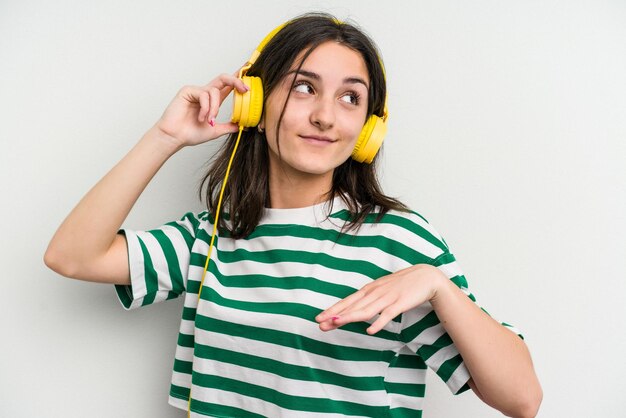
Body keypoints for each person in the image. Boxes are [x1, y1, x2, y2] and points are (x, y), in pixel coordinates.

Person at [44, 12, 542, 418]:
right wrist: (165, 138)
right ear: (255, 101)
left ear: (367, 130)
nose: (326, 115)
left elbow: (521, 399)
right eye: (304, 87)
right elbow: (72, 256)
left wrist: (438, 285)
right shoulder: (213, 237)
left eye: (350, 97)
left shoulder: (397, 242)